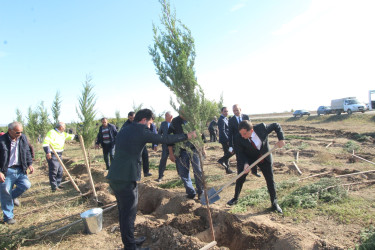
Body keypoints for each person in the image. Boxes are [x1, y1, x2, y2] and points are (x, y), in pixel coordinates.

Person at [107, 109, 196, 250]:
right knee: (128, 215)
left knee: (125, 213)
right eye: (150, 123)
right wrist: (187, 135)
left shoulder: (125, 129)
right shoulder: (141, 130)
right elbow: (164, 139)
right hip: (126, 178)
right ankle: (130, 247)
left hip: (116, 176)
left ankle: (130, 241)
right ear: (144, 120)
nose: (150, 126)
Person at [227, 120, 285, 214]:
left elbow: (276, 125)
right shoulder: (238, 137)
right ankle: (235, 198)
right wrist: (246, 163)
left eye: (245, 134)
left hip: (264, 156)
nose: (243, 136)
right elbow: (240, 153)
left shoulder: (261, 128)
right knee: (240, 177)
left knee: (270, 180)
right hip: (249, 158)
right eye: (241, 134)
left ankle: (274, 204)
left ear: (251, 130)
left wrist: (281, 139)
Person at [0, 122, 34, 224]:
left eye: (21, 132)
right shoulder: (1, 140)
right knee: (5, 191)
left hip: (20, 169)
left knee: (26, 185)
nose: (20, 134)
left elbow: (27, 151)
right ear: (10, 131)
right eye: (17, 132)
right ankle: (8, 217)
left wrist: (30, 164)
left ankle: (10, 198)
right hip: (6, 170)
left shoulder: (22, 138)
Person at [168, 110, 204, 199]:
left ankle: (201, 191)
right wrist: (171, 153)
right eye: (181, 112)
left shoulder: (193, 120)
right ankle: (191, 192)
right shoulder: (175, 122)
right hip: (181, 151)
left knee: (198, 170)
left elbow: (200, 135)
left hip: (194, 149)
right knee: (183, 173)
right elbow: (169, 138)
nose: (183, 114)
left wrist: (202, 148)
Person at [228, 104, 260, 177]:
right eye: (234, 111)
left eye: (237, 110)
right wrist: (230, 145)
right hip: (238, 143)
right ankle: (240, 174)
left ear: (240, 109)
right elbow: (230, 133)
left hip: (248, 140)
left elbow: (251, 128)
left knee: (252, 155)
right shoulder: (231, 120)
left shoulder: (246, 117)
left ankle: (254, 171)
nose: (235, 112)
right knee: (240, 158)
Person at [43, 122, 75, 192]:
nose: (65, 128)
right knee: (54, 170)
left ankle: (58, 183)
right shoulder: (51, 132)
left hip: (59, 154)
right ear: (60, 127)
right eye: (64, 127)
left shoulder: (62, 133)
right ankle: (54, 187)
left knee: (60, 170)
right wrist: (48, 152)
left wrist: (77, 136)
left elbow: (70, 136)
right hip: (52, 153)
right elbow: (46, 143)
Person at [156, 111, 173, 182]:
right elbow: (159, 134)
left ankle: (181, 175)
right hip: (165, 145)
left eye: (166, 116)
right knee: (163, 160)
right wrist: (156, 143)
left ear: (171, 117)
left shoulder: (175, 123)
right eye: (165, 116)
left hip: (174, 145)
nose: (165, 117)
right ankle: (160, 176)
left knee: (178, 160)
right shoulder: (163, 124)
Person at [217, 107, 234, 174]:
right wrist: (228, 140)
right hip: (225, 140)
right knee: (229, 153)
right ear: (221, 112)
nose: (226, 112)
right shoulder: (221, 119)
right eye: (225, 111)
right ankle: (225, 166)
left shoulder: (225, 118)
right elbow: (222, 131)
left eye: (227, 111)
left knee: (227, 153)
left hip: (227, 139)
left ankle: (227, 169)